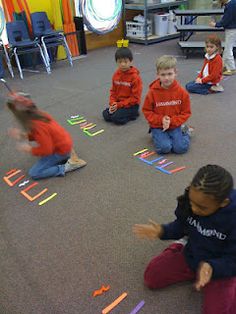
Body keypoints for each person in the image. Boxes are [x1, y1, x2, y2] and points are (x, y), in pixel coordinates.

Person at [133, 164, 236, 314]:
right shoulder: (193, 197)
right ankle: (180, 246)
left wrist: (212, 267)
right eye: (192, 202)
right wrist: (162, 231)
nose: (194, 209)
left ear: (223, 203)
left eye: (201, 208)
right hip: (192, 255)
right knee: (151, 277)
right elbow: (182, 225)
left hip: (220, 267)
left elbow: (233, 260)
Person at [7, 92, 87, 180]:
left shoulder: (36, 125)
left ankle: (68, 166)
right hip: (64, 143)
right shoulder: (39, 114)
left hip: (61, 150)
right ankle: (67, 154)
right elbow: (41, 135)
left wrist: (29, 149)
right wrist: (23, 135)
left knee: (35, 173)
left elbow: (47, 150)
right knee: (45, 155)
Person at [142, 55, 191, 155]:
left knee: (180, 149)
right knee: (165, 148)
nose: (167, 78)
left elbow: (186, 112)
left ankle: (185, 132)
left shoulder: (182, 93)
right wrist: (161, 120)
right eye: (163, 75)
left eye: (170, 74)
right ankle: (158, 135)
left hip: (175, 124)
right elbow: (147, 111)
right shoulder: (152, 92)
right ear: (157, 75)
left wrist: (171, 121)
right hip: (158, 125)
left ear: (175, 73)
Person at [102, 47, 142, 125]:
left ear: (131, 62)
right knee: (105, 115)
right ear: (116, 62)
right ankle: (119, 112)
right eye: (120, 62)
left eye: (125, 61)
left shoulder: (135, 77)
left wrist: (119, 105)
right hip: (119, 103)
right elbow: (113, 91)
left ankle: (134, 114)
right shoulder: (116, 75)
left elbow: (135, 98)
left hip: (131, 105)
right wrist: (112, 103)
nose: (123, 64)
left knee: (116, 118)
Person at [209, 0, 236, 76]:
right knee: (227, 48)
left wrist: (215, 24)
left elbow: (226, 20)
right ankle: (223, 66)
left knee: (228, 49)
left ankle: (232, 68)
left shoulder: (230, 5)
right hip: (233, 28)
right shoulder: (233, 3)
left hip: (232, 29)